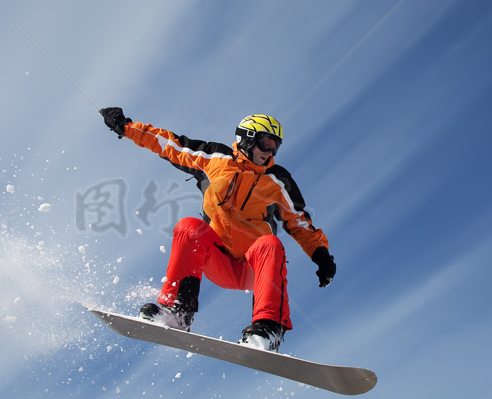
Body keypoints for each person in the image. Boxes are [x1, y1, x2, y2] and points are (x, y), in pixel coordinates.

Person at [99, 108, 336, 352]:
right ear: (247, 138)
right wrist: (126, 127)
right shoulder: (215, 158)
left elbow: (298, 220)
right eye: (266, 143)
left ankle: (267, 329)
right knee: (190, 227)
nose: (270, 153)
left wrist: (321, 256)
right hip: (218, 260)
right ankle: (178, 312)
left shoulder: (277, 180)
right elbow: (169, 144)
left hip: (254, 268)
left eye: (275, 147)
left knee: (270, 243)